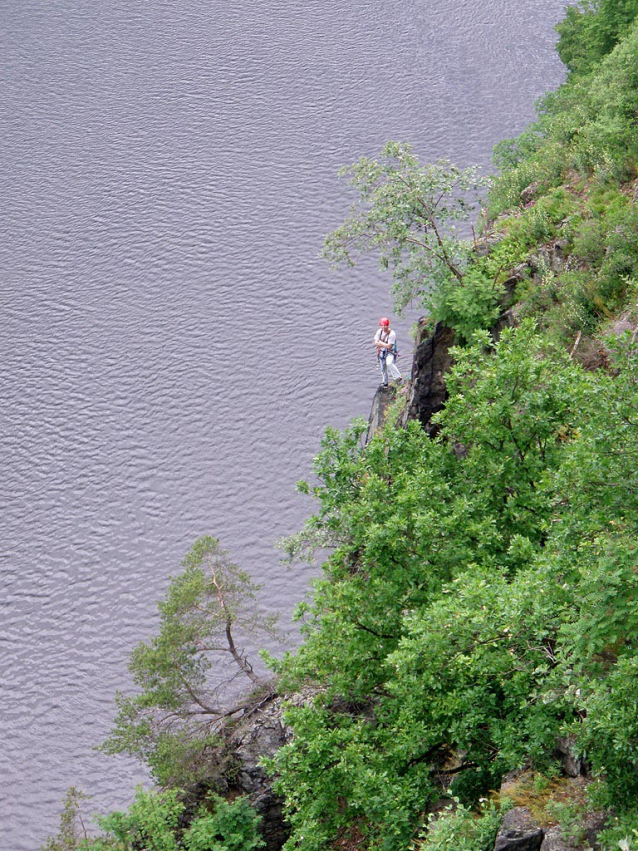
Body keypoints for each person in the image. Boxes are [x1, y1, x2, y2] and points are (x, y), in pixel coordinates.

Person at [374, 317, 402, 387]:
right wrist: (382, 344)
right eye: (382, 325)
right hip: (382, 352)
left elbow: (389, 346)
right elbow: (375, 342)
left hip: (390, 352)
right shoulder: (379, 332)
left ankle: (398, 377)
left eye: (385, 325)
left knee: (389, 363)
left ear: (388, 325)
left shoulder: (392, 334)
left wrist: (380, 343)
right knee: (383, 368)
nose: (383, 327)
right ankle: (385, 383)